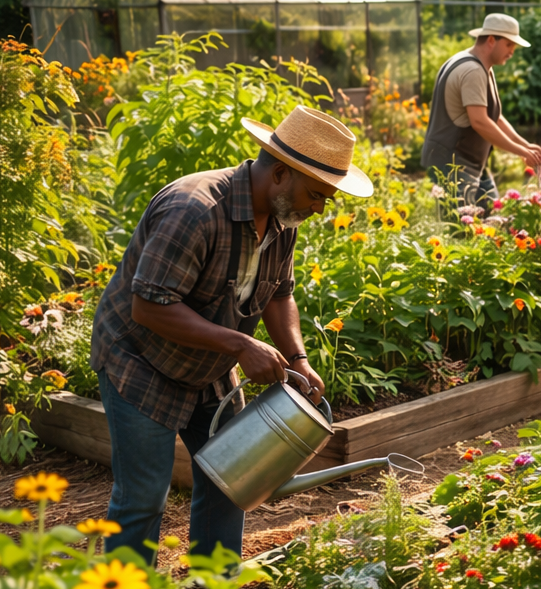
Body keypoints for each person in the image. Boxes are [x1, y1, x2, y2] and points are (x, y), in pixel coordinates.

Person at [91, 106, 375, 564]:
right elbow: (149, 307)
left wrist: (298, 359)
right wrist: (241, 344)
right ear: (280, 174)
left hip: (210, 362)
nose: (320, 208)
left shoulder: (281, 219)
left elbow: (278, 294)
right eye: (316, 194)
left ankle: (216, 588)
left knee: (232, 480)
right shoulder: (194, 209)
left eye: (327, 199)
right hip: (141, 360)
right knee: (143, 497)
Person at [422, 13, 541, 208]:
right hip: (453, 165)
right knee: (462, 224)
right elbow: (480, 122)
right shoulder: (472, 70)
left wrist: (525, 146)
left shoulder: (480, 65)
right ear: (491, 40)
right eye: (509, 44)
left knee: (493, 213)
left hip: (469, 162)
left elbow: (494, 117)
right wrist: (521, 151)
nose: (512, 52)